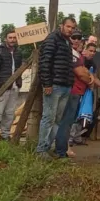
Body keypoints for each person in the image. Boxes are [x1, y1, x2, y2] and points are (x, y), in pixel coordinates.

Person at [35, 17, 77, 157]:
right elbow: (45, 62)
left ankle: (49, 147)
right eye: (68, 27)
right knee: (48, 118)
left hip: (65, 85)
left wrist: (70, 82)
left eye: (72, 28)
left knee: (57, 120)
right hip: (54, 86)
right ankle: (41, 150)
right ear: (62, 26)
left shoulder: (67, 42)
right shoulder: (52, 39)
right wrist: (47, 83)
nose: (70, 30)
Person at [57, 43, 100, 158]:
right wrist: (90, 81)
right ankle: (65, 145)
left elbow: (92, 76)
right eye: (90, 50)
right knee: (67, 120)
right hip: (73, 91)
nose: (92, 53)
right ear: (84, 50)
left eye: (94, 51)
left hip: (81, 92)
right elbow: (83, 75)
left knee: (76, 117)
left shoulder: (89, 62)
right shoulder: (78, 59)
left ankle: (70, 142)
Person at [0, 31, 22, 140]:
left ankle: (5, 135)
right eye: (10, 37)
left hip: (14, 87)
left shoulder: (18, 52)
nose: (12, 39)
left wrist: (19, 82)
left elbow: (19, 68)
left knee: (10, 113)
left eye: (14, 38)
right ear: (5, 39)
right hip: (2, 87)